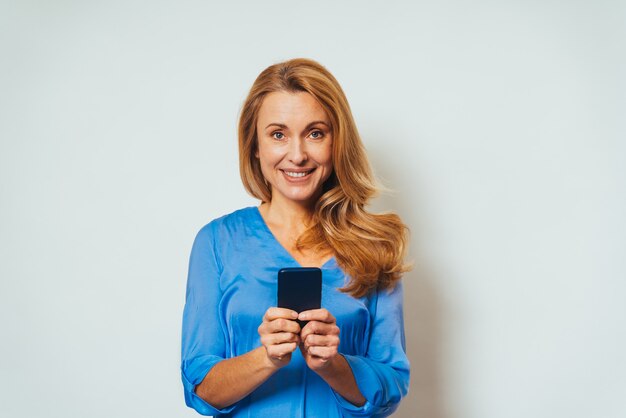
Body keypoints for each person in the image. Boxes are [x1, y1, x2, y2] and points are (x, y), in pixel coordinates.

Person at [181, 58, 411, 417]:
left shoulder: (375, 246)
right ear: (255, 145)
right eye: (278, 134)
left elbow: (392, 385)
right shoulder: (216, 242)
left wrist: (332, 365)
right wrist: (267, 358)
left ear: (337, 142)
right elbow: (200, 387)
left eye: (315, 133)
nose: (298, 154)